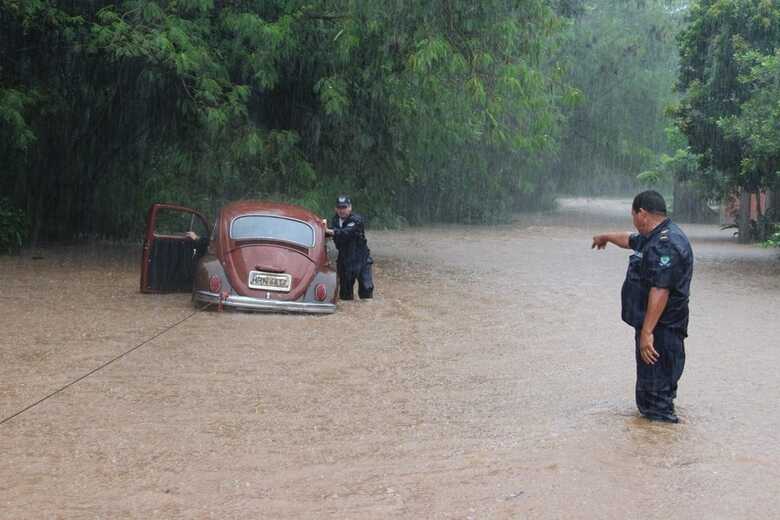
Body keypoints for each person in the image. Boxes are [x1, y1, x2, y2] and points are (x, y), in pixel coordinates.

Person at [592, 190, 693, 423]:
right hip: (654, 330)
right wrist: (605, 237)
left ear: (642, 213)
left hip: (661, 333)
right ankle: (647, 452)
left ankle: (663, 453)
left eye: (633, 215)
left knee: (657, 404)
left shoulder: (666, 244)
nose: (633, 221)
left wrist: (647, 333)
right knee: (649, 398)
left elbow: (661, 289)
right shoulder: (653, 237)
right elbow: (629, 240)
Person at [326, 195, 374, 300]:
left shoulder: (356, 220)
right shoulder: (334, 221)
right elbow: (329, 234)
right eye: (339, 208)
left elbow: (346, 233)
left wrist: (329, 231)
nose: (342, 210)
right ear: (336, 209)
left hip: (361, 260)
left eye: (344, 207)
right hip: (344, 260)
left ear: (350, 207)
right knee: (345, 296)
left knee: (366, 293)